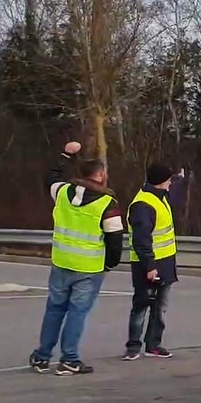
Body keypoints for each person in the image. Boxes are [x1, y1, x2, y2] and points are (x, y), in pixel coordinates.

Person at [30, 141, 125, 375]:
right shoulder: (107, 204)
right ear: (100, 175)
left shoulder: (62, 192)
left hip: (62, 262)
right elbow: (115, 239)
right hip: (89, 267)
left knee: (54, 309)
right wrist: (111, 263)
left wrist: (65, 155)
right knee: (77, 312)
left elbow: (51, 177)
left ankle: (42, 357)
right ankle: (69, 358)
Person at [125, 164, 185, 360]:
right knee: (141, 306)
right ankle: (133, 347)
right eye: (168, 180)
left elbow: (170, 187)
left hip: (165, 263)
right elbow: (141, 240)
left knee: (160, 307)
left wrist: (178, 178)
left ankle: (154, 344)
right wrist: (150, 266)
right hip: (149, 265)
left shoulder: (159, 195)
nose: (170, 183)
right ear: (160, 182)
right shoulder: (143, 205)